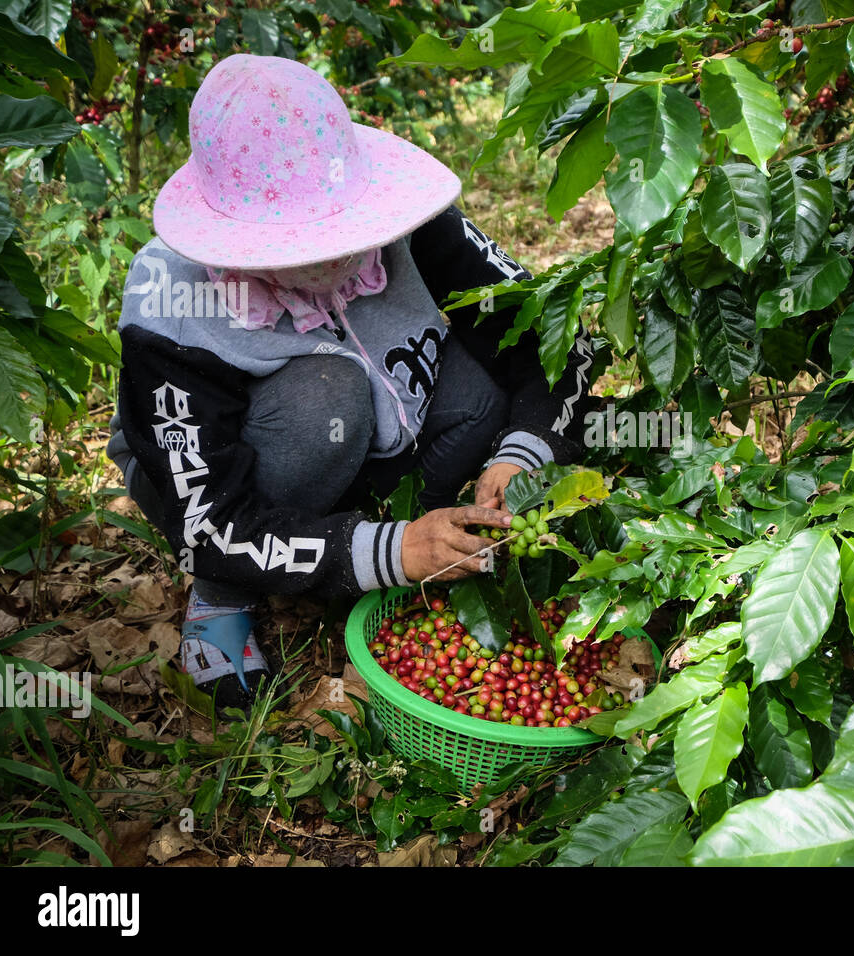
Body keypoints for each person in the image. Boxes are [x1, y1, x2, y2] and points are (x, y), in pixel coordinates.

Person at [105, 54, 593, 709]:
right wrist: (394, 553)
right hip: (214, 484)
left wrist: (523, 451)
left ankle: (378, 527)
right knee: (326, 398)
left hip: (388, 427)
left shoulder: (412, 226)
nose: (335, 256)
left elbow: (551, 336)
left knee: (480, 393)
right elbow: (206, 519)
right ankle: (223, 597)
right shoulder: (174, 304)